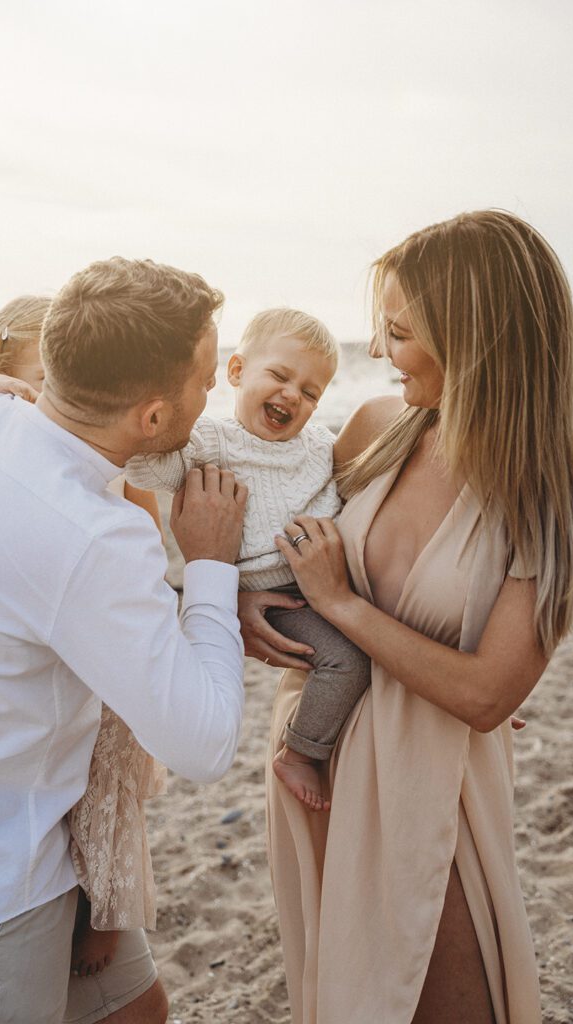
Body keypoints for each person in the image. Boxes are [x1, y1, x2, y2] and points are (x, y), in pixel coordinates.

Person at [239, 211, 573, 1023]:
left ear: (469, 336)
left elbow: (486, 697)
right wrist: (242, 599)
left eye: (399, 333)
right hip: (316, 755)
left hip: (433, 775)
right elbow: (267, 519)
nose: (378, 352)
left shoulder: (562, 484)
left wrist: (340, 602)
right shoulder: (376, 431)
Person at [0, 257, 248, 1024]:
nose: (213, 398)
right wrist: (209, 566)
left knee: (135, 1010)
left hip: (30, 841)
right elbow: (203, 745)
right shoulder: (95, 538)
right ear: (149, 417)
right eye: (206, 381)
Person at [125, 307, 370, 812]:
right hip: (275, 596)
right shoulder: (210, 442)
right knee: (347, 662)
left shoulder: (321, 446)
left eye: (309, 392)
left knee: (398, 625)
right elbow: (145, 464)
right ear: (236, 372)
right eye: (279, 376)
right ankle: (300, 753)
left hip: (325, 578)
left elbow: (356, 484)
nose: (291, 396)